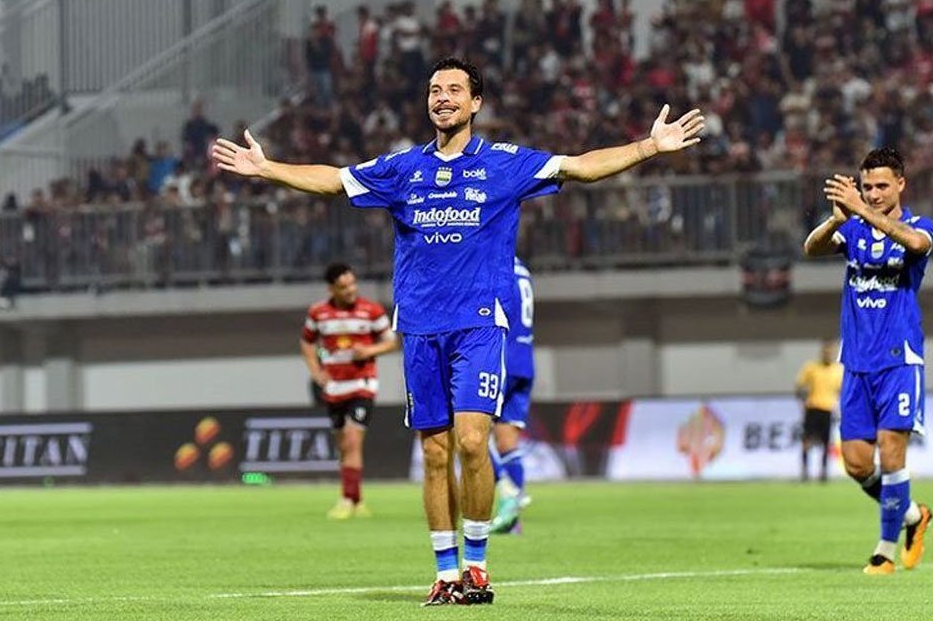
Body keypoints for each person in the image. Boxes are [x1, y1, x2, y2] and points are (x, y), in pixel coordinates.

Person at [214, 56, 704, 605]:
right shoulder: (403, 169)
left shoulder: (505, 164)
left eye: (453, 89)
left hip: (477, 324)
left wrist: (647, 147)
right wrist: (268, 168)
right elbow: (334, 181)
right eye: (434, 90)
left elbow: (580, 167)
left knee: (473, 442)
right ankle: (446, 573)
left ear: (475, 103)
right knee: (434, 454)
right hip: (420, 328)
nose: (442, 97)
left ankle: (476, 567)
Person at [803, 147, 933, 575]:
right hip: (857, 362)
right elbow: (811, 248)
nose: (873, 194)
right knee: (857, 463)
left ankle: (884, 552)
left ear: (901, 184)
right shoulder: (854, 229)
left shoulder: (919, 227)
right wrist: (836, 220)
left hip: (899, 359)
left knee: (892, 454)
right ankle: (913, 514)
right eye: (867, 187)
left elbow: (916, 244)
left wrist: (860, 210)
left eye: (881, 186)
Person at [299, 262, 398, 520]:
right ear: (331, 289)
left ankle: (345, 499)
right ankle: (357, 499)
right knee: (344, 445)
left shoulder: (371, 311)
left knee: (353, 440)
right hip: (334, 387)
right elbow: (307, 342)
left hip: (362, 384)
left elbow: (391, 341)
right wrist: (316, 371)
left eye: (352, 283)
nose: (351, 290)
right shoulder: (318, 313)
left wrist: (370, 351)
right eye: (343, 287)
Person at [489, 257, 536, 535]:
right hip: (525, 361)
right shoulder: (522, 269)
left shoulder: (495, 267)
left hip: (501, 360)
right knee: (507, 442)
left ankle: (507, 491)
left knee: (467, 430)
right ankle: (513, 521)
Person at [795, 339, 842, 482]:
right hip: (812, 408)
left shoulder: (837, 370)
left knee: (826, 444)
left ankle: (823, 473)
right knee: (806, 442)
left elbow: (841, 390)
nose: (828, 354)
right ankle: (805, 473)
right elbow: (799, 386)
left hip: (827, 410)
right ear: (822, 353)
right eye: (825, 352)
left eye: (830, 352)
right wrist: (802, 402)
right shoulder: (811, 368)